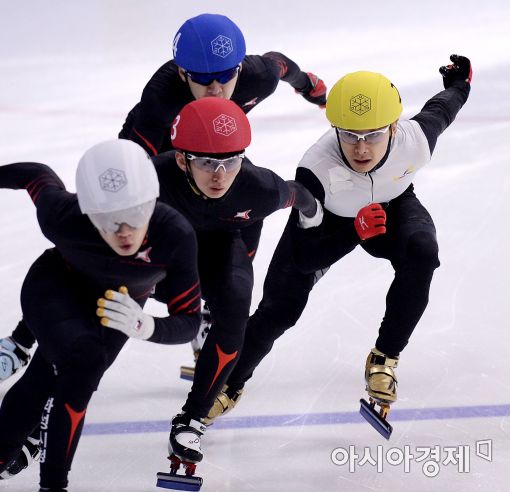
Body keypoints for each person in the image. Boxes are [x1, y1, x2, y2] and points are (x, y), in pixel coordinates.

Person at [0, 12, 327, 383]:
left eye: (225, 77)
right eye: (203, 80)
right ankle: (24, 340)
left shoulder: (258, 76)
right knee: (108, 246)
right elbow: (129, 175)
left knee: (235, 235)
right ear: (183, 73)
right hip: (157, 159)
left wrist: (311, 87)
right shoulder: (159, 102)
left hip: (216, 159)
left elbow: (281, 65)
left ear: (239, 69)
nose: (216, 89)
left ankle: (208, 311)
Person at [203, 55, 472, 430]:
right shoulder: (315, 169)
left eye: (373, 135)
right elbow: (305, 256)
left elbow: (443, 108)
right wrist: (352, 231)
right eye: (349, 135)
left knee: (423, 252)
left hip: (389, 208)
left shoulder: (416, 140)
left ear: (394, 128)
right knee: (280, 310)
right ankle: (228, 384)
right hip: (327, 220)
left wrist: (459, 84)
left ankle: (384, 358)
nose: (361, 148)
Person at [0, 139, 202, 491]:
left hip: (119, 309)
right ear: (89, 213)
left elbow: (189, 320)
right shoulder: (63, 216)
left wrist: (147, 326)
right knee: (82, 364)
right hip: (54, 289)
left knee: (46, 380)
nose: (124, 231)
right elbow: (37, 177)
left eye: (136, 214)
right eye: (109, 221)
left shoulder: (175, 235)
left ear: (153, 203)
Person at [145, 97, 319, 483]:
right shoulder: (148, 178)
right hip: (167, 246)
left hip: (224, 246)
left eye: (231, 161)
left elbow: (301, 198)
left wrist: (315, 224)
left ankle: (192, 417)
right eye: (207, 162)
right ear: (180, 159)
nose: (220, 175)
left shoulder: (259, 186)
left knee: (236, 307)